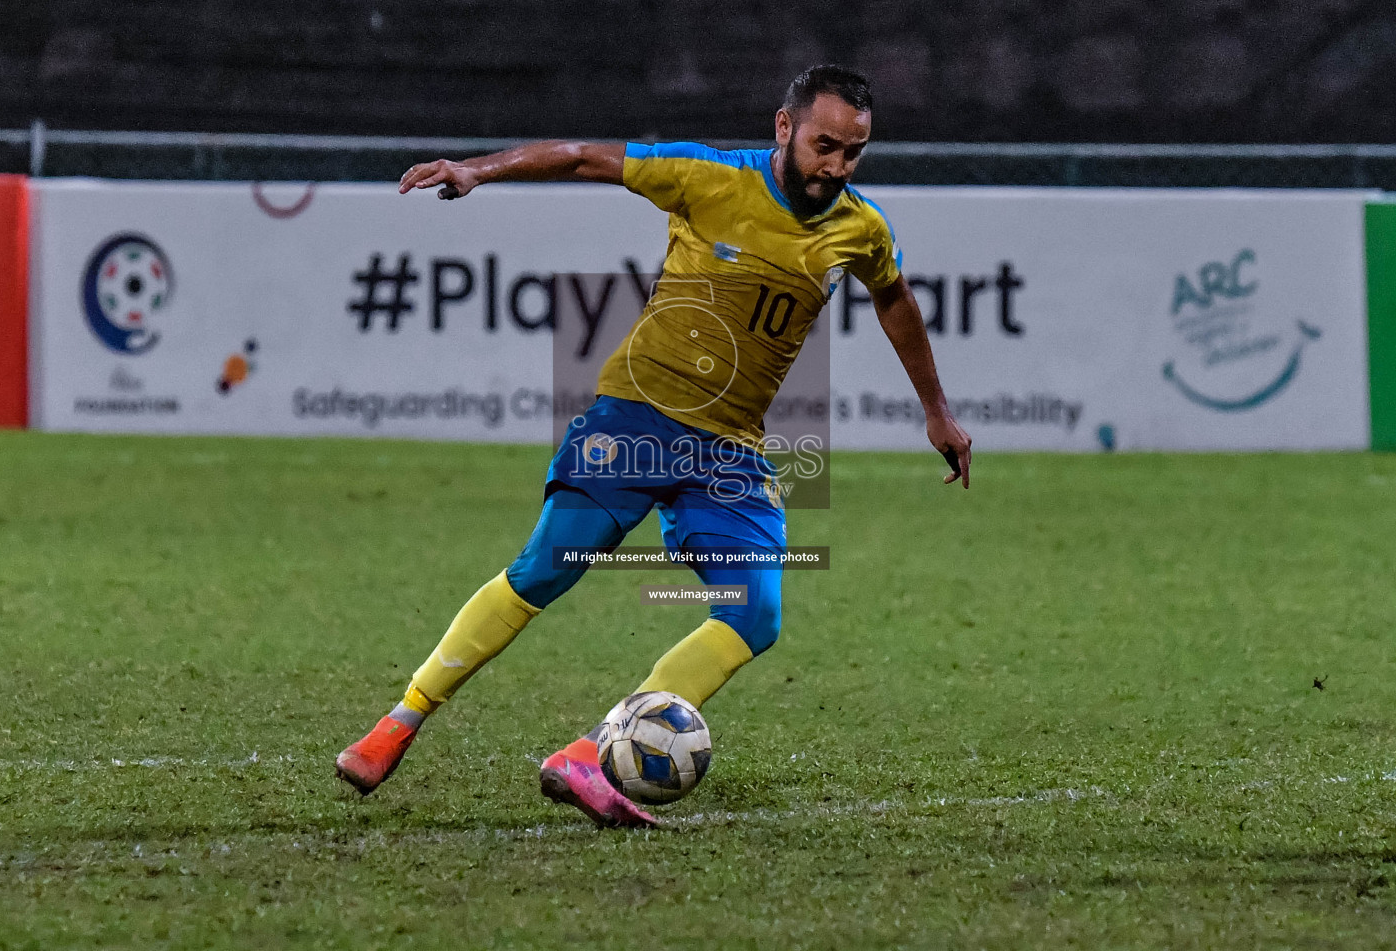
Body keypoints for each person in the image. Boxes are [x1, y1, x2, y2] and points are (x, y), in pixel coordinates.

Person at [335, 65, 972, 827]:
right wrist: (478, 169)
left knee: (755, 615)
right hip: (634, 420)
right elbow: (580, 157)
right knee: (546, 569)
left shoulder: (860, 228)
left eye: (853, 152)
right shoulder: (705, 177)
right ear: (784, 128)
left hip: (730, 451)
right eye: (824, 145)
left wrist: (936, 411)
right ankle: (400, 720)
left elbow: (894, 298)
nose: (835, 167)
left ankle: (590, 752)